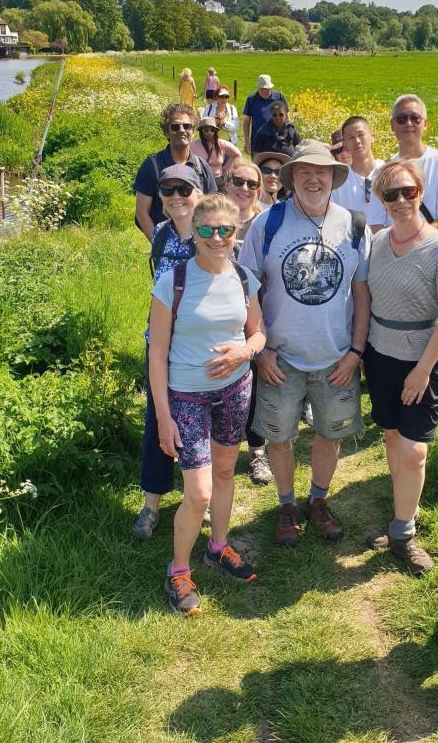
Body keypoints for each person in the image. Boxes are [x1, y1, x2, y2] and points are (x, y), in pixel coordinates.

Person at [239, 140, 370, 546]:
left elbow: (362, 294)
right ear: (292, 177)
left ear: (333, 178)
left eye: (322, 172)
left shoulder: (354, 225)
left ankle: (317, 500)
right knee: (278, 437)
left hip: (336, 358)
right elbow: (247, 290)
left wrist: (356, 352)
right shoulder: (268, 224)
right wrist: (260, 350)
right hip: (281, 359)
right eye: (305, 172)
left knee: (330, 435)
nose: (314, 179)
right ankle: (285, 505)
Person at [150, 193, 266, 616]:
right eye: (207, 230)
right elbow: (156, 353)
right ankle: (177, 570)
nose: (217, 238)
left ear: (236, 233)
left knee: (224, 471)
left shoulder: (243, 277)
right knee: (197, 491)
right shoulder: (173, 281)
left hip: (235, 389)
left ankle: (217, 547)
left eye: (226, 230)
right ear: (195, 233)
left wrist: (243, 353)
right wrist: (163, 417)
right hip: (186, 395)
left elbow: (258, 334)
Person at [363, 159, 438, 573]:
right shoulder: (379, 243)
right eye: (392, 194)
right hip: (381, 353)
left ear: (420, 193)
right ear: (381, 200)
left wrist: (423, 369)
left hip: (426, 358)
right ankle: (403, 509)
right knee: (391, 439)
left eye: (409, 192)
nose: (401, 200)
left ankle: (403, 533)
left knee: (415, 451)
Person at [131, 164, 204, 541]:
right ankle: (151, 504)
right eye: (168, 190)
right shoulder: (159, 234)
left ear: (199, 192)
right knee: (157, 418)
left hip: (195, 346)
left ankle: (198, 497)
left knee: (196, 422)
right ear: (160, 197)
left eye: (184, 190)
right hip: (159, 342)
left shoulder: (211, 234)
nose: (177, 197)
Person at [224, 158, 274, 486]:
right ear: (226, 182)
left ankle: (257, 452)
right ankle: (220, 451)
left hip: (260, 310)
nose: (245, 188)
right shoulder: (213, 217)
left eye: (251, 184)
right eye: (238, 181)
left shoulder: (266, 222)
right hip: (224, 317)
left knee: (257, 383)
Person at [368, 94, 438, 233]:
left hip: (430, 245)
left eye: (415, 118)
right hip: (393, 248)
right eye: (402, 119)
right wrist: (395, 244)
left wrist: (416, 240)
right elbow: (376, 221)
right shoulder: (382, 170)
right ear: (392, 125)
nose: (408, 124)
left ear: (425, 124)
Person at [133, 103, 217, 240]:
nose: (182, 130)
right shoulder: (153, 165)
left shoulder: (202, 167)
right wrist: (159, 246)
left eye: (187, 126)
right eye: (175, 127)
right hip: (166, 246)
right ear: (166, 132)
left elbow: (212, 208)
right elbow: (142, 213)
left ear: (194, 131)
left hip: (199, 247)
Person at [330, 116, 384, 215]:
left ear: (373, 137)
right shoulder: (338, 183)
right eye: (351, 137)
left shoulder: (388, 172)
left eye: (361, 135)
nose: (357, 141)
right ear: (345, 143)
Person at [241, 74, 287, 155]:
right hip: (257, 141)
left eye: (267, 89)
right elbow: (246, 121)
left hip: (276, 141)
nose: (265, 91)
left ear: (271, 87)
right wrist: (247, 141)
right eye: (262, 89)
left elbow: (287, 117)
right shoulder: (251, 99)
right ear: (258, 88)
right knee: (257, 166)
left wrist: (287, 136)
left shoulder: (279, 97)